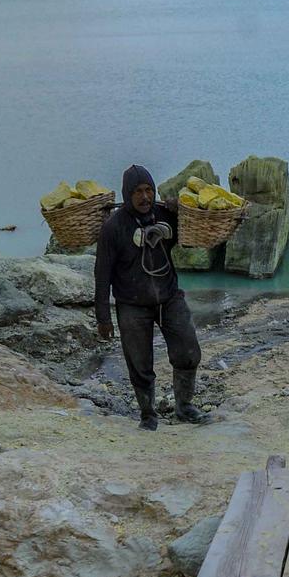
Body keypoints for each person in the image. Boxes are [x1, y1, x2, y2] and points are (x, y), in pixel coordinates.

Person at [94, 165, 207, 430]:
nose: (145, 197)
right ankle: (148, 414)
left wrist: (182, 209)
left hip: (169, 298)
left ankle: (185, 406)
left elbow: (194, 232)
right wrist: (103, 317)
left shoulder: (164, 214)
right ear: (127, 193)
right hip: (132, 305)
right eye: (137, 192)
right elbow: (102, 275)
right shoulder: (113, 228)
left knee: (188, 351)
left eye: (149, 190)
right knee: (139, 363)